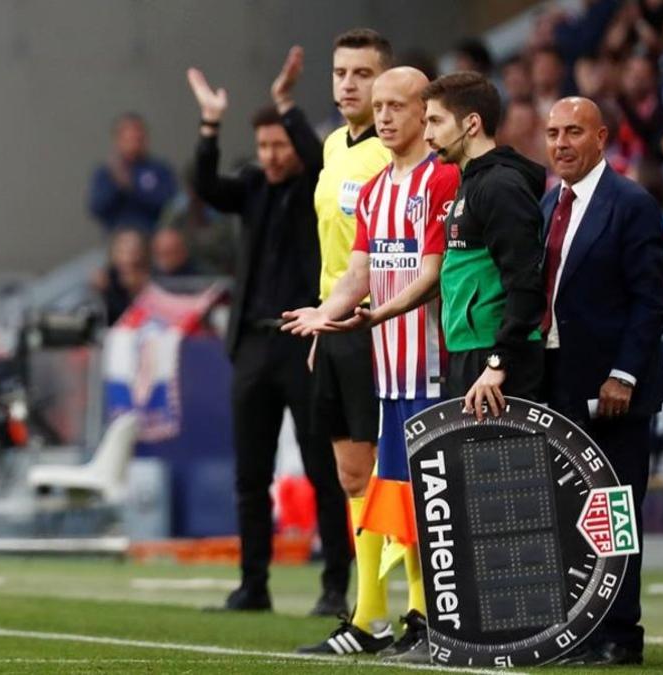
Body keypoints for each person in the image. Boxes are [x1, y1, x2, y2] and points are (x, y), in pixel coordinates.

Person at [284, 67, 459, 660]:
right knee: (403, 499)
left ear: (424, 111)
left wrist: (373, 313)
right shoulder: (379, 188)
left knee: (433, 498)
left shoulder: (442, 181)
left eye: (396, 105)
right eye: (377, 106)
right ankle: (401, 618)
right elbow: (357, 271)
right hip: (391, 371)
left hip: (436, 365)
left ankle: (434, 618)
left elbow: (434, 273)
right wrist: (324, 311)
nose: (383, 116)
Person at [187, 45, 350, 617]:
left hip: (305, 341)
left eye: (279, 145)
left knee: (321, 468)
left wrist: (289, 109)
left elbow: (318, 159)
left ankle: (335, 588)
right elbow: (205, 185)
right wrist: (210, 124)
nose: (271, 156)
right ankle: (252, 585)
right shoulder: (252, 188)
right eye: (263, 147)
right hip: (254, 343)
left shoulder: (318, 187)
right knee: (250, 473)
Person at [540, 97, 663, 666]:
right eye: (552, 133)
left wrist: (624, 374)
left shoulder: (631, 204)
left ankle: (619, 634)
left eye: (573, 132)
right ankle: (579, 628)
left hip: (613, 390)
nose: (561, 142)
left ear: (601, 139)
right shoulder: (548, 204)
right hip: (559, 382)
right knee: (569, 512)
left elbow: (650, 300)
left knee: (613, 511)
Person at [300, 28, 394, 625]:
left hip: (378, 324)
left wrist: (338, 315)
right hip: (331, 323)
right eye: (340, 73)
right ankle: (370, 607)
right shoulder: (334, 145)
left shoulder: (395, 152)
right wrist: (320, 322)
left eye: (361, 73)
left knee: (392, 471)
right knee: (350, 472)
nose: (348, 84)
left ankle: (400, 606)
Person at [421, 71, 546, 416]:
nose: (427, 134)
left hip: (497, 362)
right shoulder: (471, 182)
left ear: (472, 123)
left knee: (506, 471)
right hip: (470, 352)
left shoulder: (500, 186)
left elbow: (525, 281)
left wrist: (498, 361)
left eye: (435, 121)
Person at [87, 113, 177, 234]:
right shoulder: (106, 172)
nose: (134, 141)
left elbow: (169, 204)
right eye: (128, 138)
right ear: (117, 140)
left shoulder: (159, 169)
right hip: (117, 239)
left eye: (138, 137)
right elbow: (97, 209)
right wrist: (117, 185)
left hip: (153, 236)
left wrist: (130, 184)